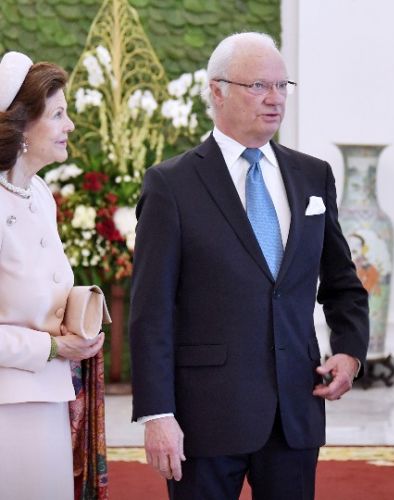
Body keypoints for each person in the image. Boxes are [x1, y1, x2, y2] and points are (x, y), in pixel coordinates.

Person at [129, 32, 369, 499]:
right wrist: (157, 414)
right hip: (205, 419)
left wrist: (350, 351)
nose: (275, 99)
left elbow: (342, 282)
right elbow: (151, 310)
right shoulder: (170, 185)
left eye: (283, 86)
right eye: (259, 86)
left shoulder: (312, 175)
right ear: (216, 91)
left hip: (295, 413)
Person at [0, 51, 105, 499]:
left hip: (48, 399)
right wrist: (52, 346)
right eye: (59, 114)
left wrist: (80, 320)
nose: (70, 126)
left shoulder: (40, 194)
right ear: (23, 126)